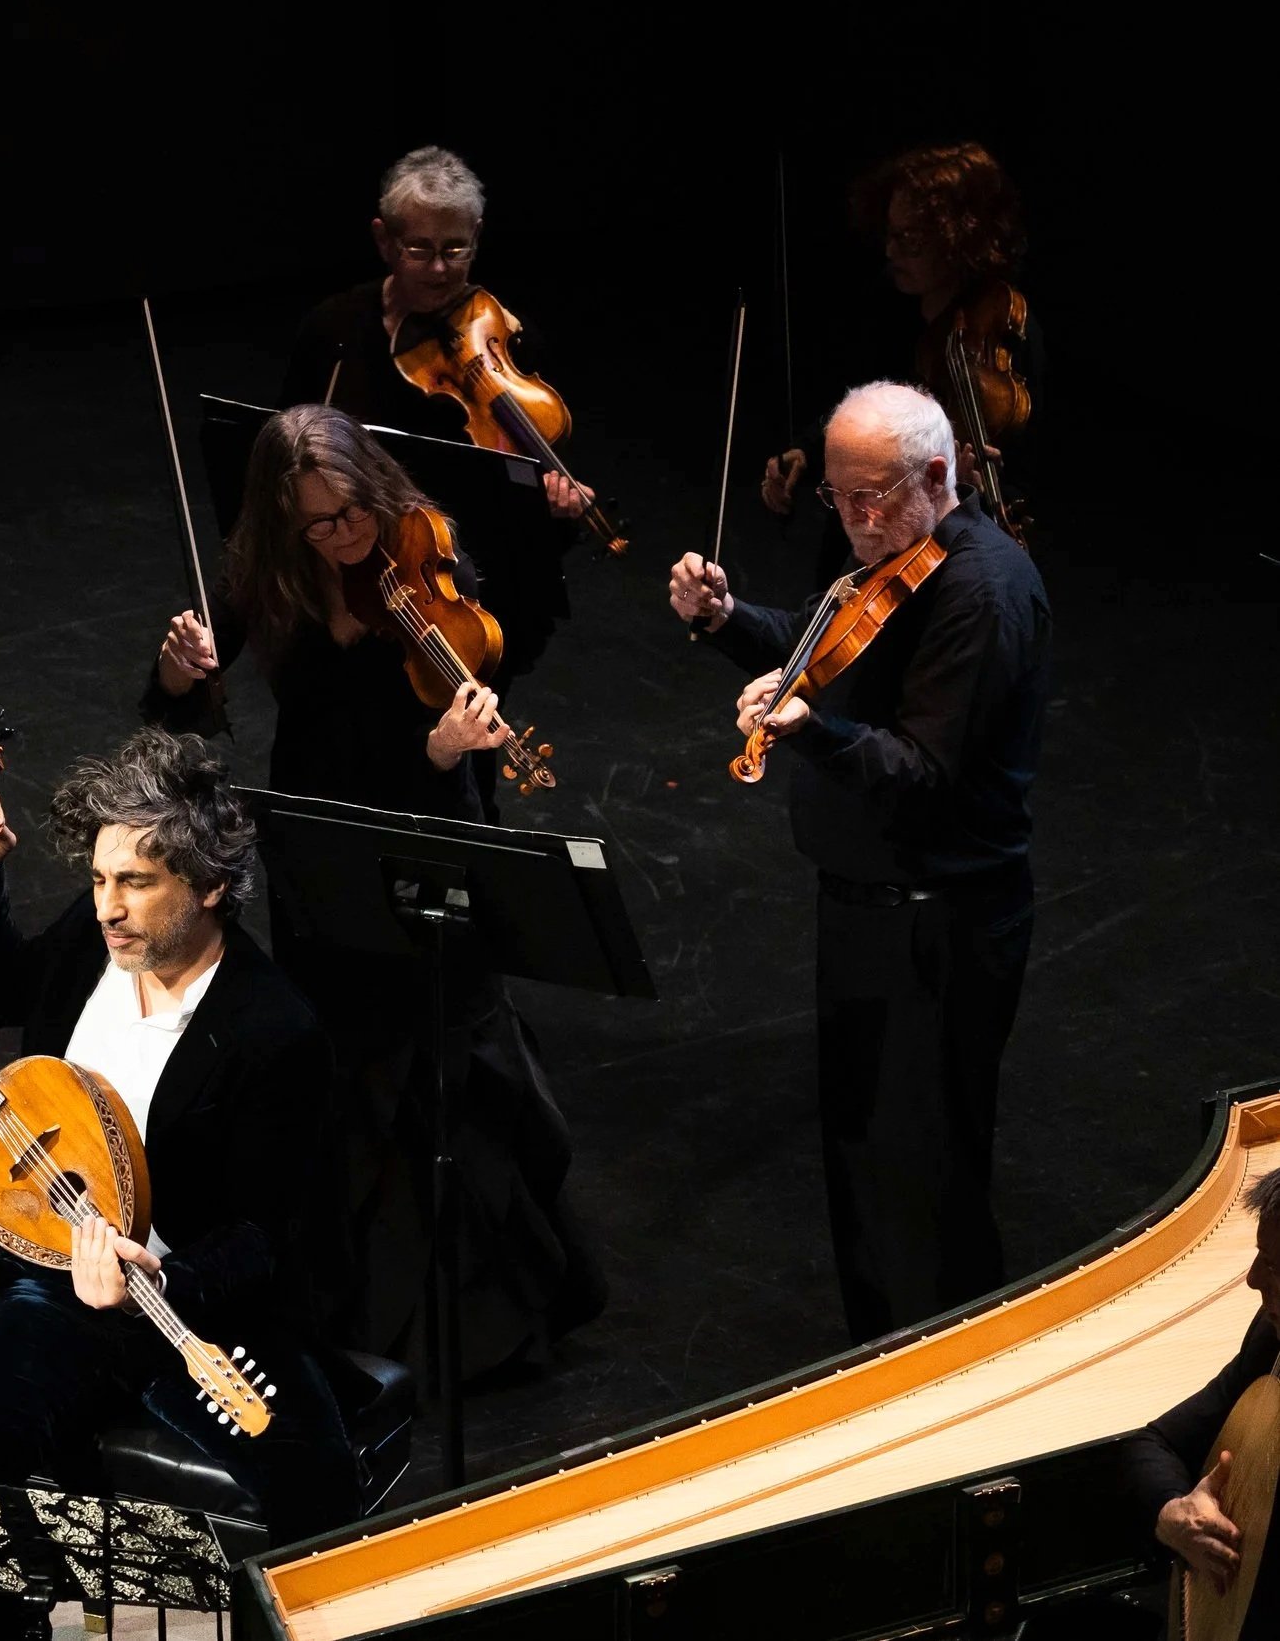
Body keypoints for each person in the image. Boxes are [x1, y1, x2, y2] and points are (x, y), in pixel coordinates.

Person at [148, 403, 605, 1379]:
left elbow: (463, 741)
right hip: (320, 839)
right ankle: (364, 1312)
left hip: (426, 822)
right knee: (343, 1067)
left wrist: (443, 750)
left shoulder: (431, 554)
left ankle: (480, 1326)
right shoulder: (270, 575)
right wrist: (179, 670)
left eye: (352, 510)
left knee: (443, 1064)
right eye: (319, 523)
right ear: (285, 525)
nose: (346, 536)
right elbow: (179, 705)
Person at [0, 731, 358, 1632]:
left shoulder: (273, 1031)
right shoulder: (95, 945)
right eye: (98, 880)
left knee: (316, 1493)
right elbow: (5, 992)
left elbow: (263, 1233)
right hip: (58, 1284)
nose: (108, 908)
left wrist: (156, 1280)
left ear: (208, 887)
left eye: (137, 882)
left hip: (192, 1301)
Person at [670, 380, 1049, 1343]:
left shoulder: (981, 592)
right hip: (864, 914)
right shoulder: (884, 564)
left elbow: (923, 771)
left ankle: (949, 1380)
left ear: (936, 476)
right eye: (838, 495)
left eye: (871, 495)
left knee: (923, 1177)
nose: (851, 517)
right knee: (862, 1162)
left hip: (938, 926)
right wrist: (726, 622)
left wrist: (810, 732)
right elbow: (819, 653)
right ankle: (879, 1359)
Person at [281, 145, 593, 685]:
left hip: (475, 587)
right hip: (357, 575)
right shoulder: (333, 330)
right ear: (384, 240)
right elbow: (286, 454)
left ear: (477, 236)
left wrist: (557, 503)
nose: (441, 269)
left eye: (456, 249)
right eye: (420, 250)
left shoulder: (508, 341)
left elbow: (533, 478)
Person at [760, 141, 1044, 584]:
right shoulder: (887, 308)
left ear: (959, 239)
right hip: (865, 527)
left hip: (942, 551)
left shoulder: (1002, 330)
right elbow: (854, 403)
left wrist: (971, 483)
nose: (891, 251)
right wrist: (807, 450)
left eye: (910, 240)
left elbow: (1022, 461)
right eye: (889, 234)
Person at [1124, 1168, 1280, 1624]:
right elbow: (1155, 1443)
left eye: (1273, 1265)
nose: (1253, 1280)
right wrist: (1174, 1512)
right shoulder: (1272, 1342)